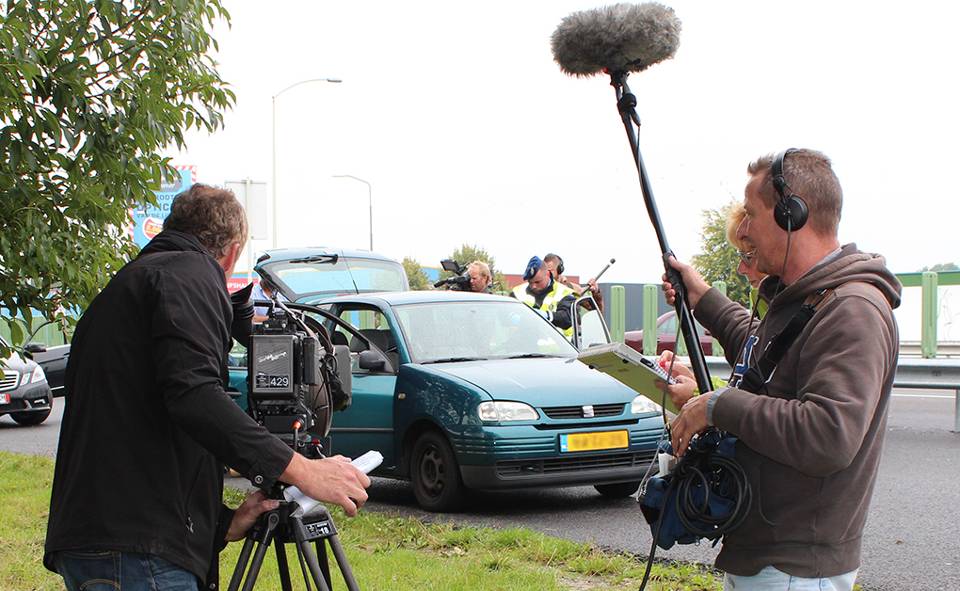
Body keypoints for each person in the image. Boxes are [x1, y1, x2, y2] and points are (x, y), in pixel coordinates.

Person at [44, 185, 371, 591]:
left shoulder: (130, 284)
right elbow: (194, 395)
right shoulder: (190, 276)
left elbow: (143, 423)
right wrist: (303, 470)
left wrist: (221, 523)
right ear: (232, 252)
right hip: (138, 554)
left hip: (102, 540)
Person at [661, 149, 900, 591]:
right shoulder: (807, 298)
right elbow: (764, 354)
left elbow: (828, 435)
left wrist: (717, 405)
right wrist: (702, 298)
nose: (744, 230)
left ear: (792, 215)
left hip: (795, 568)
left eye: (751, 214)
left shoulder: (852, 309)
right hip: (770, 559)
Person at [511, 255, 577, 336]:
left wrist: (547, 315)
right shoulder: (518, 292)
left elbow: (567, 318)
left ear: (548, 274)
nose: (533, 286)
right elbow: (504, 315)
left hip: (558, 343)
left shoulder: (564, 292)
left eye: (537, 282)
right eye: (530, 282)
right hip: (524, 342)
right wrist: (512, 317)